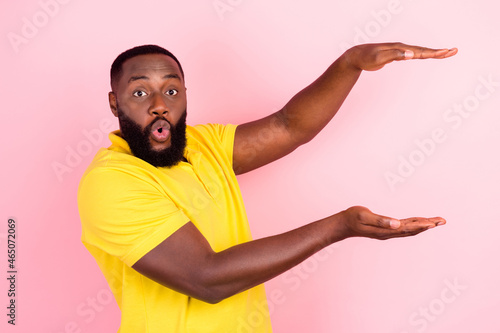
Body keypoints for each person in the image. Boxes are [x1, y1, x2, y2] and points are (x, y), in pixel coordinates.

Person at [77, 42, 457, 332]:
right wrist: (338, 228)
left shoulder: (202, 145)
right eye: (140, 92)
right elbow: (205, 277)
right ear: (115, 103)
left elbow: (289, 127)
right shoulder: (110, 182)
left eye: (172, 91)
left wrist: (349, 63)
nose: (160, 105)